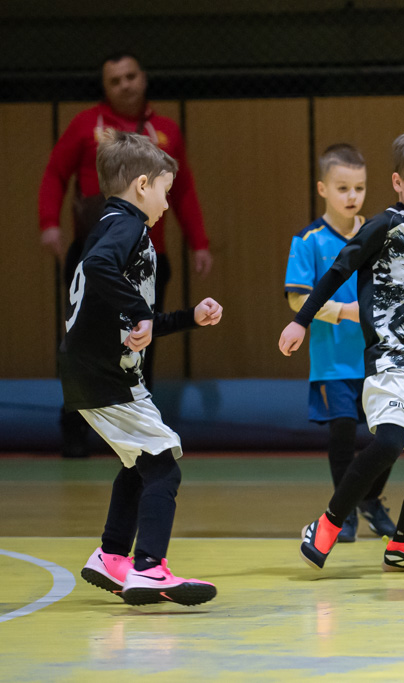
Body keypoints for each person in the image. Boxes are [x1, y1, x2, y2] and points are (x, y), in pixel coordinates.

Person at [279, 126, 404, 572]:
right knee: (387, 442)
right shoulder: (383, 226)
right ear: (398, 183)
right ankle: (329, 522)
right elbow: (337, 271)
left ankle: (403, 544)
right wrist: (301, 320)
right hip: (392, 360)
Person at [68, 130, 221, 606]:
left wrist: (189, 318)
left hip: (94, 371)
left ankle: (112, 556)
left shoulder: (110, 225)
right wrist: (139, 311)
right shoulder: (128, 226)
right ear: (141, 185)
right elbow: (100, 268)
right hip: (107, 375)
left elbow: (139, 322)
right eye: (165, 191)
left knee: (139, 463)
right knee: (163, 467)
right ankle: (150, 567)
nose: (167, 204)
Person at [39, 51, 213, 458]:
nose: (125, 85)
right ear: (104, 87)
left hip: (151, 256)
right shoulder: (85, 125)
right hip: (95, 249)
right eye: (115, 80)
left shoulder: (166, 130)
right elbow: (55, 172)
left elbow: (184, 190)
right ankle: (75, 431)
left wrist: (199, 241)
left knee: (140, 338)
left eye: (130, 76)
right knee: (84, 337)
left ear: (144, 78)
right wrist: (49, 221)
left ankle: (135, 428)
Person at [283, 143, 395, 542]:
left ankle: (369, 499)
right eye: (343, 188)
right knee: (343, 433)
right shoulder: (308, 240)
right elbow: (297, 298)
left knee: (391, 434)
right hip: (333, 360)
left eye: (359, 188)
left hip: (378, 358)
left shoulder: (378, 233)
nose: (353, 196)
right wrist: (345, 311)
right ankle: (342, 512)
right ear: (323, 189)